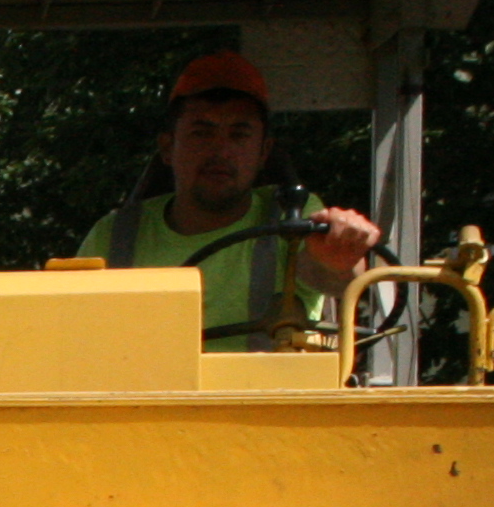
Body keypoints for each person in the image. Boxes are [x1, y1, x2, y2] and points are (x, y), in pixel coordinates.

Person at [95, 52, 381, 346]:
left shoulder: (292, 215)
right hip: (151, 392)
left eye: (239, 135)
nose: (221, 151)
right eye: (202, 134)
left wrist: (338, 259)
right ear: (167, 148)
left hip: (274, 392)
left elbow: (331, 277)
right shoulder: (115, 235)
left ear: (263, 152)